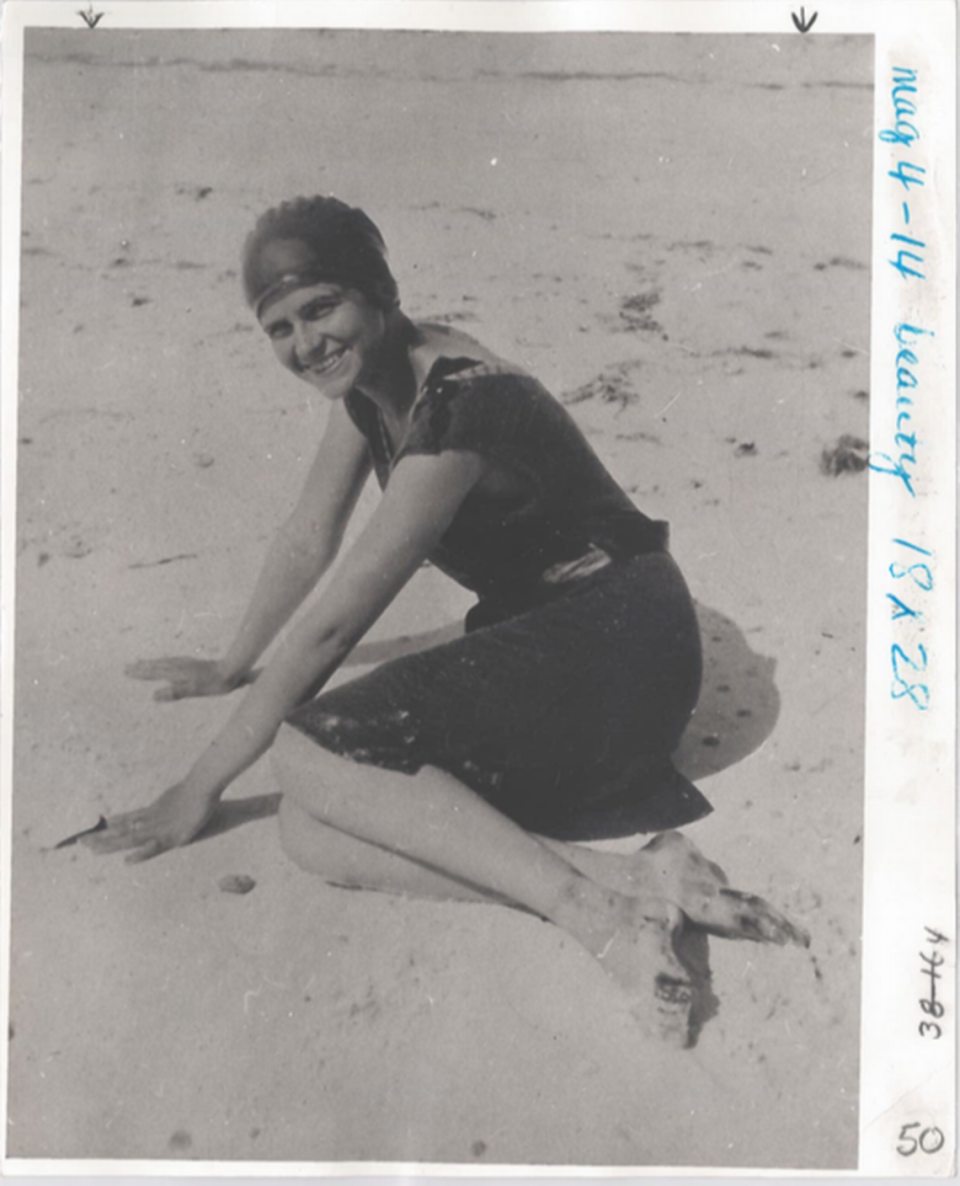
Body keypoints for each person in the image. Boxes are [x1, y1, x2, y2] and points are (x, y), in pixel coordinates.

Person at [87, 196, 807, 1043]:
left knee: (311, 750)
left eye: (323, 308)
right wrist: (229, 661)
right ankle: (638, 883)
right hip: (564, 641)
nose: (306, 342)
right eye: (279, 327)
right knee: (309, 828)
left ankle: (595, 920)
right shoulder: (373, 384)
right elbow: (307, 535)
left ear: (379, 293)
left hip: (625, 650)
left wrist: (195, 790)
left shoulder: (460, 406)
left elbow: (331, 632)